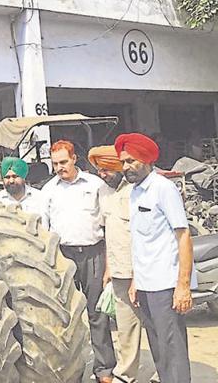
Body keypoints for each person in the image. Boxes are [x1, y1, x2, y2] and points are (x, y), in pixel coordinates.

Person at [115, 133, 196, 383]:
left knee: (172, 350)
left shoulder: (163, 188)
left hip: (165, 284)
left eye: (131, 161)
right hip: (146, 285)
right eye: (123, 162)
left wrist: (182, 286)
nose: (126, 167)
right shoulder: (135, 192)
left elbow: (183, 237)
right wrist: (136, 281)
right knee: (159, 349)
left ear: (146, 159)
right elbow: (141, 242)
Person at [42, 140, 116, 383]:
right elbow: (44, 229)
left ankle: (104, 369)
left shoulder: (95, 185)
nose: (59, 168)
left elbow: (110, 223)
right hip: (63, 257)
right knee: (64, 315)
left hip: (93, 254)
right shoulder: (49, 190)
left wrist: (109, 264)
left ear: (74, 158)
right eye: (55, 164)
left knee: (97, 313)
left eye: (63, 162)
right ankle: (67, 370)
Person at [89, 145, 142, 383]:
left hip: (145, 270)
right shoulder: (103, 192)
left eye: (106, 169)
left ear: (118, 166)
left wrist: (139, 275)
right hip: (119, 270)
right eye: (99, 170)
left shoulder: (139, 190)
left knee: (157, 326)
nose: (102, 174)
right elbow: (108, 232)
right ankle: (125, 375)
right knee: (125, 326)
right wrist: (109, 267)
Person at [0, 156, 48, 227]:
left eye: (15, 176)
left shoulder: (40, 198)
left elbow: (46, 227)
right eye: (7, 177)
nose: (11, 181)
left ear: (23, 177)